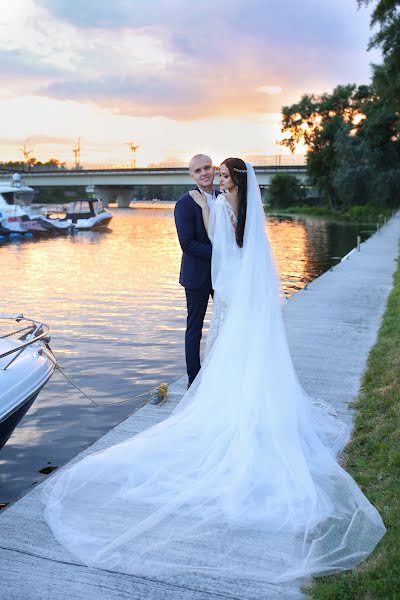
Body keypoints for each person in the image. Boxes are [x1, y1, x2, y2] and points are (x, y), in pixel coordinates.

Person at [41, 160, 385, 584]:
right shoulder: (238, 205)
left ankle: (217, 394)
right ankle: (229, 389)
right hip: (241, 284)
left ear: (231, 179)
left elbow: (220, 246)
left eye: (220, 173)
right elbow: (211, 244)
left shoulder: (219, 204)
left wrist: (211, 212)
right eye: (209, 172)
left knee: (224, 341)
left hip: (229, 282)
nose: (215, 178)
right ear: (196, 174)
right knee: (232, 341)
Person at [174, 154, 217, 388]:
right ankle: (194, 379)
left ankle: (222, 369)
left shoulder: (223, 198)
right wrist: (220, 254)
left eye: (207, 168)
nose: (204, 173)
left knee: (226, 323)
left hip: (222, 276)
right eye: (198, 170)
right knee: (195, 329)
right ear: (192, 175)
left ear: (214, 168)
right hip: (196, 277)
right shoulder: (185, 203)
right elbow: (187, 243)